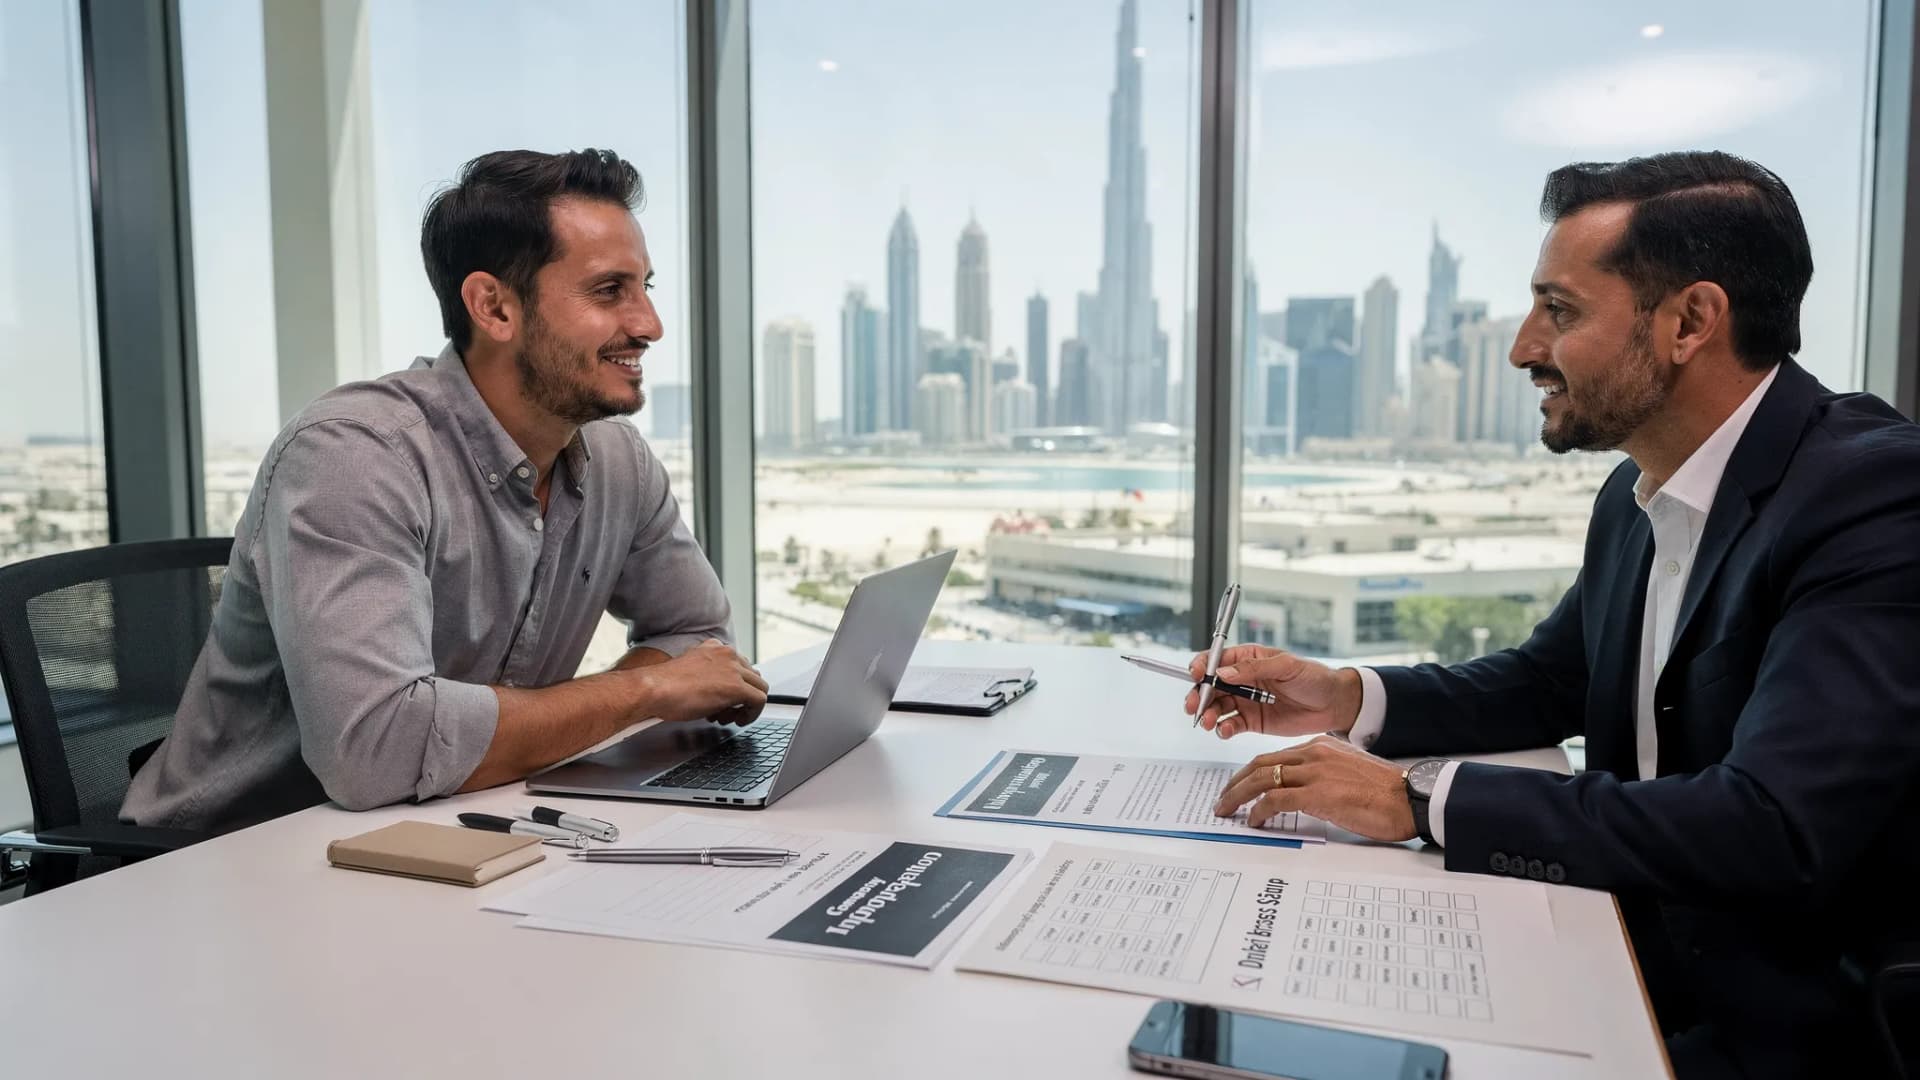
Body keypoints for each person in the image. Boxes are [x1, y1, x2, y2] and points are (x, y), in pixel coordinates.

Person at [1195, 151, 1920, 1078]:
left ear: (1691, 321)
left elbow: (1773, 827)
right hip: (1618, 947)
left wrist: (1417, 798)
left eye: (1561, 310)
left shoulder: (1872, 497)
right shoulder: (1636, 494)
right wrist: (1344, 695)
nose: (1523, 347)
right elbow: (1551, 681)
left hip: (1776, 1027)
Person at [123, 148, 767, 834]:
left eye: (646, 287)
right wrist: (643, 691)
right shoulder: (355, 456)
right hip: (234, 860)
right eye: (609, 291)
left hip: (459, 827)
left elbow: (697, 638)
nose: (649, 325)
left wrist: (576, 715)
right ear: (493, 307)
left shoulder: (617, 460)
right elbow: (378, 751)